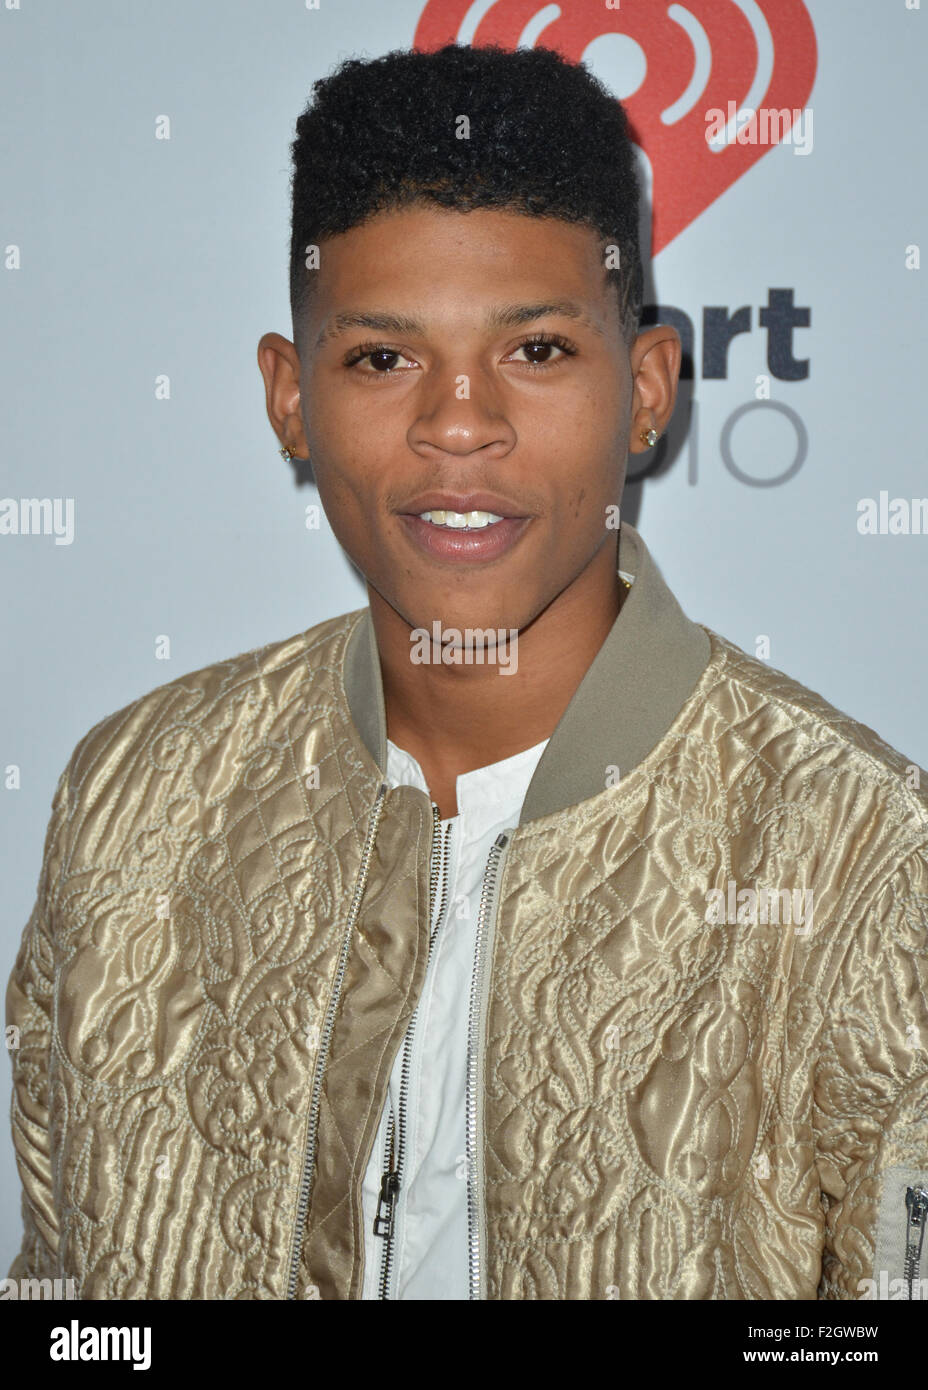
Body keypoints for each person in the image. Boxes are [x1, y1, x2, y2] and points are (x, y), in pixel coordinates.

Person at [7, 42, 928, 1302]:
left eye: (537, 350)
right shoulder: (133, 797)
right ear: (289, 397)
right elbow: (60, 1302)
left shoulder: (858, 856)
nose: (457, 422)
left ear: (647, 387)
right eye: (382, 358)